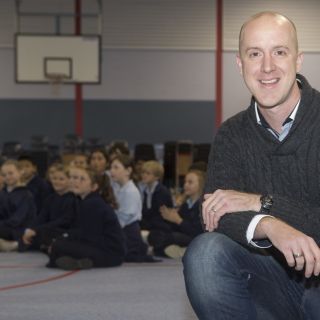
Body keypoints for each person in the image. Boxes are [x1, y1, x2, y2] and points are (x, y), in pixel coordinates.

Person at [183, 11, 320, 320]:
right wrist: (269, 225)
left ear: (298, 60)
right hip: (272, 281)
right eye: (255, 54)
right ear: (240, 64)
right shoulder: (231, 134)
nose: (267, 67)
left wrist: (262, 203)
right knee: (205, 254)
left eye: (279, 52)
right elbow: (214, 216)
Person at [47, 166, 125, 270]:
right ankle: (77, 261)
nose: (76, 182)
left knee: (58, 246)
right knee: (55, 243)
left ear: (93, 187)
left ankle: (77, 260)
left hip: (110, 254)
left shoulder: (92, 203)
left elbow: (88, 236)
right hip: (107, 251)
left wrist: (63, 240)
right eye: (75, 178)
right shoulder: (85, 201)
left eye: (82, 179)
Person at [110, 154, 158, 262]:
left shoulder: (131, 191)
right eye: (111, 167)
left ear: (128, 170)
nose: (112, 171)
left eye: (116, 167)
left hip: (128, 231)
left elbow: (123, 219)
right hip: (121, 229)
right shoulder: (117, 187)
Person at [20, 164, 77, 252]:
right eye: (54, 179)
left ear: (70, 180)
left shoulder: (73, 199)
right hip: (49, 228)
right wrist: (30, 229)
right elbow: (41, 217)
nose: (57, 182)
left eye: (61, 179)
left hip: (64, 230)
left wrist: (38, 230)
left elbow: (65, 221)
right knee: (26, 231)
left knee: (45, 233)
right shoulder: (50, 198)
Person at [148, 169, 204, 258]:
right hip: (184, 236)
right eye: (185, 182)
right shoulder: (186, 204)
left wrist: (178, 220)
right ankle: (177, 251)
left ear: (201, 185)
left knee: (171, 237)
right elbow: (177, 228)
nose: (186, 185)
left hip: (196, 238)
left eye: (190, 182)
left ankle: (182, 252)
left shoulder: (202, 205)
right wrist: (169, 218)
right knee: (156, 233)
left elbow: (196, 232)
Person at [0, 160, 37, 252]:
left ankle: (15, 244)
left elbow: (17, 220)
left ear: (20, 172)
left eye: (10, 173)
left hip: (18, 230)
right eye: (4, 175)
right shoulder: (3, 193)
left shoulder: (26, 194)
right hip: (5, 227)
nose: (7, 177)